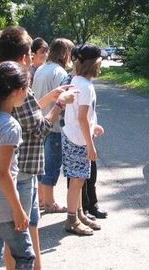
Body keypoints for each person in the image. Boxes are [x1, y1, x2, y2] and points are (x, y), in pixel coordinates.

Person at [0, 26, 74, 270]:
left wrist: (48, 98)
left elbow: (22, 111)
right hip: (23, 168)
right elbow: (39, 128)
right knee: (23, 231)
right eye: (29, 53)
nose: (31, 58)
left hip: (5, 166)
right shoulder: (21, 85)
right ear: (22, 57)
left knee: (14, 232)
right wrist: (59, 103)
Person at [0, 62, 42, 270]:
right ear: (17, 91)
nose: (28, 94)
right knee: (25, 256)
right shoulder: (10, 126)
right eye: (27, 89)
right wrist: (18, 210)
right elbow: (3, 172)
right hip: (4, 207)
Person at [62, 44, 105, 235]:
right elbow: (81, 117)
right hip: (79, 139)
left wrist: (93, 125)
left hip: (72, 135)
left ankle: (79, 213)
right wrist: (90, 145)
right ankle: (72, 219)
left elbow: (78, 115)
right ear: (94, 64)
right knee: (78, 180)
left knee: (76, 179)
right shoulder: (86, 86)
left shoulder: (76, 80)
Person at [33, 38, 75, 214]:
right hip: (54, 124)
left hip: (40, 121)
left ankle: (42, 200)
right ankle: (50, 203)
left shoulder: (41, 69)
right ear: (65, 53)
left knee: (42, 164)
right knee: (52, 164)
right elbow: (64, 99)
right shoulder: (59, 73)